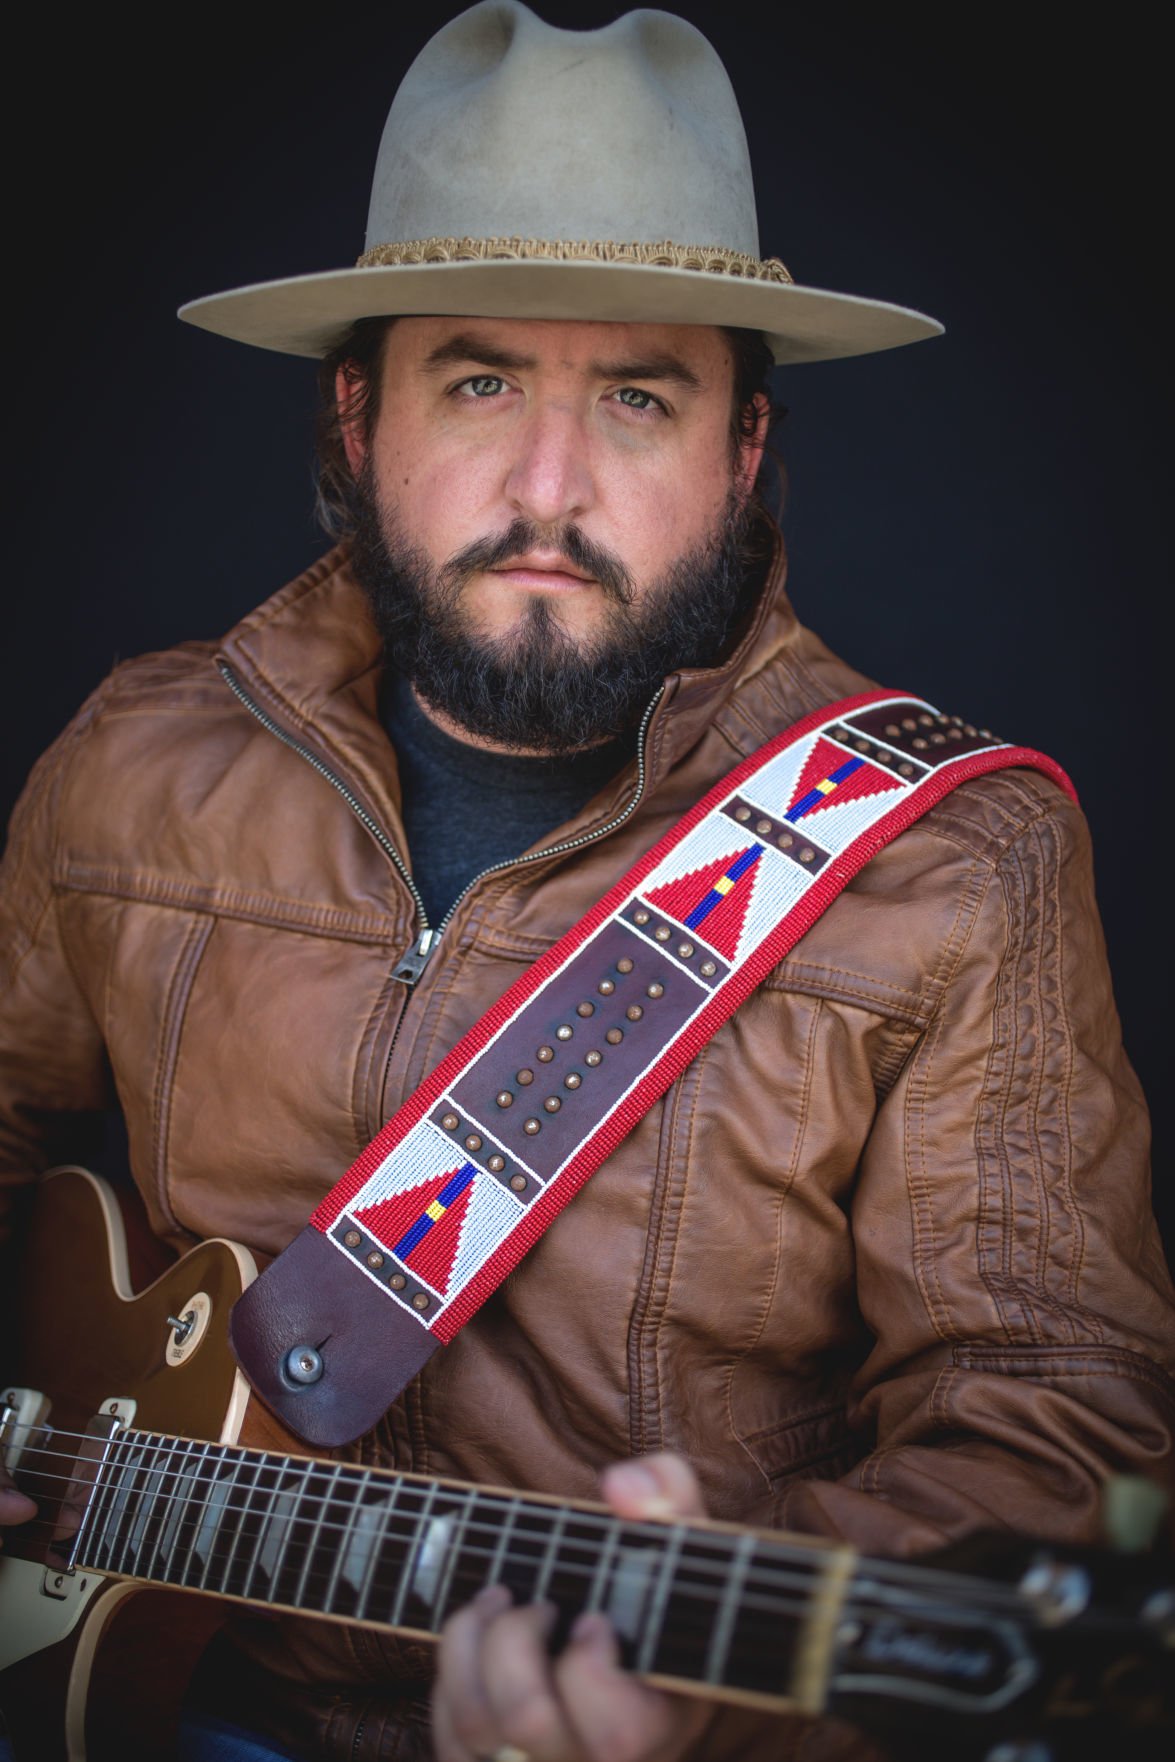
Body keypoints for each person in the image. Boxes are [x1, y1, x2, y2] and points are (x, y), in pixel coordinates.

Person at [2, 4, 1173, 1760]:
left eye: (638, 395)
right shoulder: (133, 753)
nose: (548, 489)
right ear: (358, 409)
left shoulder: (958, 863)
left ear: (746, 446)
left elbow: (1058, 1430)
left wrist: (705, 1698)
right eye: (480, 380)